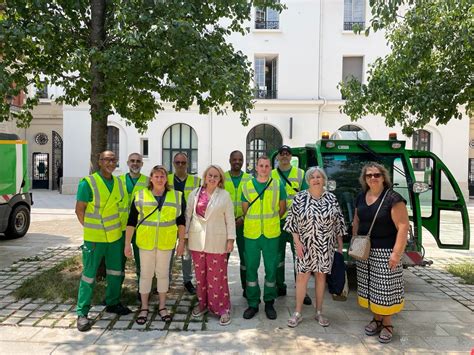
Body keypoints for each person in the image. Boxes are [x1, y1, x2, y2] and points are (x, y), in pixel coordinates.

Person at [75, 150, 131, 332]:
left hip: (115, 236)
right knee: (89, 275)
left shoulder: (119, 183)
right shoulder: (88, 183)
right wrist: (91, 228)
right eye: (106, 159)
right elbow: (79, 210)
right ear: (99, 162)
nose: (110, 162)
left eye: (113, 160)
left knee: (116, 272)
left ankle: (113, 303)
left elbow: (122, 209)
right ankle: (82, 312)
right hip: (94, 238)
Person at [352, 162, 409, 343]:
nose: (373, 178)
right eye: (369, 175)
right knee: (371, 287)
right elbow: (357, 220)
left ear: (384, 177)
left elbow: (403, 226)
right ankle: (376, 319)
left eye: (377, 175)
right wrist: (355, 240)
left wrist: (396, 253)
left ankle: (388, 324)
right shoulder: (361, 197)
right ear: (365, 179)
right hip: (365, 251)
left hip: (386, 250)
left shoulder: (393, 198)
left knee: (385, 289)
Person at [124, 165, 186, 325]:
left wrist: (181, 243)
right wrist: (127, 244)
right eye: (156, 176)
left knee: (163, 274)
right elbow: (131, 222)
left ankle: (162, 307)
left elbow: (181, 222)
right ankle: (144, 308)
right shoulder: (140, 195)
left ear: (167, 179)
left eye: (162, 176)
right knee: (145, 274)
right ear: (151, 178)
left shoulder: (177, 196)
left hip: (166, 242)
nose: (159, 179)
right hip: (145, 243)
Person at [284, 167, 345, 328]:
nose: (316, 179)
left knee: (320, 277)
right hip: (304, 245)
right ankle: (297, 312)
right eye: (312, 177)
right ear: (308, 180)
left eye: (319, 177)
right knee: (302, 277)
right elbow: (292, 223)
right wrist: (297, 243)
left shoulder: (331, 198)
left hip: (325, 246)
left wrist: (339, 247)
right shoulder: (299, 198)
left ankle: (319, 312)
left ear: (324, 180)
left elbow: (338, 223)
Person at [186, 165, 236, 326]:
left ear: (220, 178)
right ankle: (203, 305)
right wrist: (185, 238)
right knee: (200, 277)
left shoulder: (225, 195)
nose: (212, 178)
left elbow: (230, 219)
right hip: (197, 241)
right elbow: (188, 217)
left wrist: (230, 240)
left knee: (217, 277)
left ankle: (222, 308)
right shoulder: (194, 194)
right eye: (210, 175)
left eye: (216, 176)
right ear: (205, 176)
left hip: (217, 241)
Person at [241, 155, 286, 320]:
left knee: (271, 269)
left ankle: (269, 302)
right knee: (251, 269)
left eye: (267, 166)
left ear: (270, 168)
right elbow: (245, 210)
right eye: (261, 165)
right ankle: (253, 303)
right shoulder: (247, 186)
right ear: (256, 167)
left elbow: (282, 208)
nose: (264, 169)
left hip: (271, 234)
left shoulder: (277, 185)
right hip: (252, 235)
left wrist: (270, 221)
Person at [271, 145, 311, 306]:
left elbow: (307, 197)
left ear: (291, 156)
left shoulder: (300, 174)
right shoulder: (272, 175)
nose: (285, 156)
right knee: (277, 257)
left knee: (300, 257)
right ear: (278, 157)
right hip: (278, 221)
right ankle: (280, 286)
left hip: (297, 223)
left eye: (287, 153)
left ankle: (302, 290)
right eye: (282, 153)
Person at [167, 152, 201, 295]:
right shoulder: (166, 179)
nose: (180, 165)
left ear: (187, 164)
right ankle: (165, 281)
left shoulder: (196, 181)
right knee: (167, 252)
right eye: (177, 162)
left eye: (183, 163)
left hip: (188, 222)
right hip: (169, 222)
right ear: (173, 163)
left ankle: (187, 281)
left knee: (186, 254)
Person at [223, 150, 252, 297]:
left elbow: (253, 203)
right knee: (222, 259)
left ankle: (246, 288)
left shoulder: (249, 179)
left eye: (240, 160)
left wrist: (243, 218)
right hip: (224, 225)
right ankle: (220, 289)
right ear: (229, 160)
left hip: (243, 224)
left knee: (245, 258)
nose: (237, 162)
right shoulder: (223, 178)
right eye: (234, 159)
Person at [119, 153, 148, 294]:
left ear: (142, 164)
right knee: (118, 262)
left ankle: (142, 292)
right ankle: (115, 292)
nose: (135, 163)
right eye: (132, 161)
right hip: (120, 227)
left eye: (138, 161)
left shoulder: (148, 182)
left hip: (141, 227)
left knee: (142, 262)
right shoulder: (118, 181)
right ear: (127, 162)